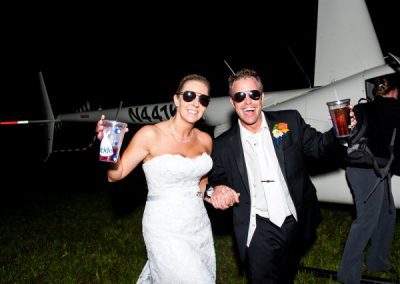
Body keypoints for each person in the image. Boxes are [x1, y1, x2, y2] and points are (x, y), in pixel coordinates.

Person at [207, 68, 347, 283]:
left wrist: (341, 129)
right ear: (232, 102)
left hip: (294, 220)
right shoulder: (223, 145)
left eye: (253, 94)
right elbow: (216, 178)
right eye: (240, 96)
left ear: (262, 97)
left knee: (286, 276)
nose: (248, 102)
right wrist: (217, 188)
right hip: (259, 228)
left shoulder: (289, 121)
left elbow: (319, 146)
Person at [96, 74, 239, 283]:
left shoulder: (205, 140)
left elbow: (200, 183)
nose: (195, 103)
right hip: (164, 225)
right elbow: (114, 175)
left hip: (197, 225)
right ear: (176, 99)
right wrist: (108, 147)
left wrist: (214, 193)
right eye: (189, 95)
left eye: (203, 99)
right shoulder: (150, 134)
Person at [337, 73, 400, 283]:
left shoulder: (363, 107)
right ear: (394, 90)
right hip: (366, 170)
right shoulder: (393, 109)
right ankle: (348, 276)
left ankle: (377, 262)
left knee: (387, 214)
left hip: (368, 169)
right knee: (366, 221)